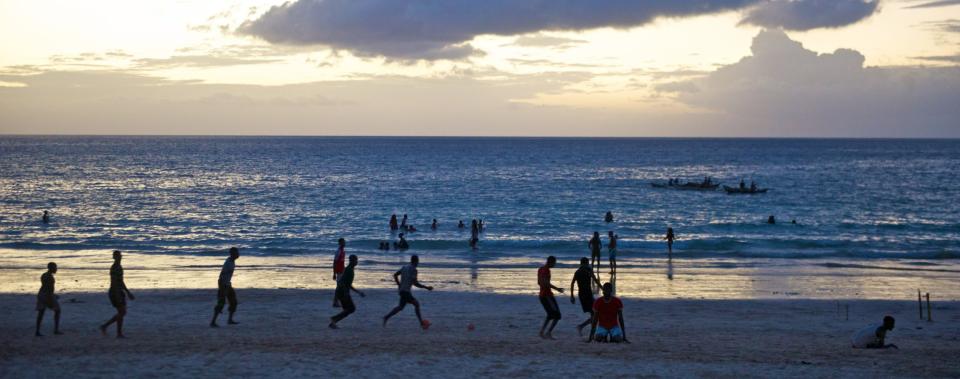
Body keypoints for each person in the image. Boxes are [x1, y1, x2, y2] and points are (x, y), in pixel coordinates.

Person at [383, 255, 434, 328]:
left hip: (402, 291)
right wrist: (426, 287)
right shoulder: (414, 270)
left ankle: (386, 317)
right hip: (406, 292)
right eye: (417, 261)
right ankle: (421, 323)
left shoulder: (404, 267)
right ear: (416, 261)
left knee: (400, 307)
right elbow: (415, 283)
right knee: (416, 304)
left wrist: (399, 285)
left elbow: (395, 275)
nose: (418, 263)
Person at [100, 250, 135, 338]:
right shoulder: (115, 267)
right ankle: (106, 327)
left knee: (121, 312)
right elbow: (114, 282)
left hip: (119, 291)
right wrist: (117, 294)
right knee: (122, 312)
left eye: (120, 255)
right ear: (115, 257)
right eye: (118, 256)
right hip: (115, 292)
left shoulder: (119, 266)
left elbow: (121, 281)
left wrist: (127, 292)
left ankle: (117, 332)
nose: (120, 257)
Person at [329, 255, 365, 329]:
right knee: (351, 309)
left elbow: (348, 284)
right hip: (343, 292)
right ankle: (334, 319)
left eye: (357, 260)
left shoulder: (349, 269)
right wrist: (345, 293)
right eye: (356, 260)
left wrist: (358, 292)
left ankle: (334, 321)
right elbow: (342, 283)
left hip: (342, 291)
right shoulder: (349, 270)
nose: (357, 262)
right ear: (352, 261)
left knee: (348, 309)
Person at [570, 257, 602, 336]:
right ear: (585, 263)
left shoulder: (580, 271)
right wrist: (572, 296)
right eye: (587, 263)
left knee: (594, 312)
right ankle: (582, 327)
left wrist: (572, 296)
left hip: (586, 294)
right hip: (585, 295)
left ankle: (588, 329)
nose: (587, 265)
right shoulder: (584, 271)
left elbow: (572, 283)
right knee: (594, 313)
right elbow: (595, 280)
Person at [210, 247, 240, 327]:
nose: (238, 254)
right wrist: (223, 288)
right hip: (223, 285)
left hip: (228, 284)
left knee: (233, 302)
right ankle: (213, 322)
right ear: (232, 254)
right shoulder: (228, 263)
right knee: (221, 303)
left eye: (238, 253)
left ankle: (229, 320)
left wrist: (228, 285)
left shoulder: (232, 262)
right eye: (236, 253)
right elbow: (222, 275)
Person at [538, 256, 564, 339]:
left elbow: (539, 282)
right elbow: (545, 283)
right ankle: (548, 332)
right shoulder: (546, 270)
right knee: (557, 315)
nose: (555, 264)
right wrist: (557, 289)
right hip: (547, 295)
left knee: (550, 315)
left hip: (542, 295)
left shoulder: (541, 269)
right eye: (554, 263)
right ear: (551, 262)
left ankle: (542, 332)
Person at [35, 262, 62, 337]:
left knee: (41, 313)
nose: (56, 269)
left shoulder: (44, 275)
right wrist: (52, 297)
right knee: (57, 310)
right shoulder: (50, 277)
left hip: (41, 294)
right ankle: (56, 330)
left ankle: (37, 331)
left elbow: (44, 286)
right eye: (55, 267)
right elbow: (50, 289)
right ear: (51, 268)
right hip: (47, 295)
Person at [332, 238, 347, 307]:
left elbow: (342, 262)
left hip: (342, 271)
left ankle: (337, 301)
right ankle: (335, 302)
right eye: (343, 242)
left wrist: (344, 269)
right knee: (339, 287)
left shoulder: (343, 251)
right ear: (340, 243)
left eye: (344, 242)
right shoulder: (338, 251)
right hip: (339, 271)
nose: (344, 243)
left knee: (341, 287)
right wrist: (334, 274)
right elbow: (335, 262)